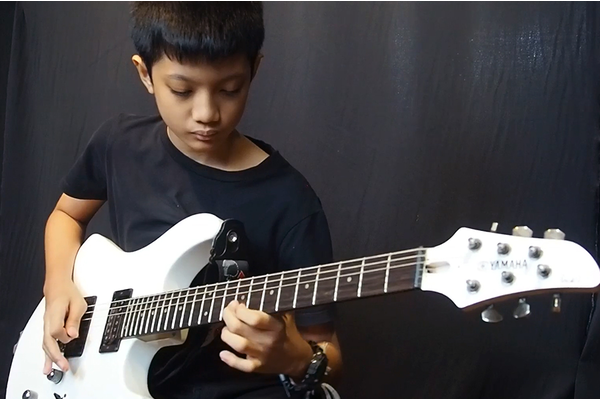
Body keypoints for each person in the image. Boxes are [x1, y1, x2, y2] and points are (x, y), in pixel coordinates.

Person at [41, 1, 343, 399]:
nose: (207, 113)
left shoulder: (290, 201)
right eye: (182, 90)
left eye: (229, 89)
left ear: (254, 70)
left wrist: (295, 359)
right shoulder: (118, 144)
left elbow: (328, 351)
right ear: (145, 74)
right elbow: (66, 214)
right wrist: (57, 285)